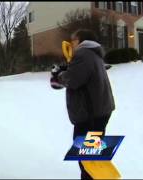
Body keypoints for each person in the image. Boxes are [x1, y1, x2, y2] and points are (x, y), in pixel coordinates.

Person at [53, 29, 115, 179]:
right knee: (92, 156)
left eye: (73, 40)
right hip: (98, 111)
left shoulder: (83, 53)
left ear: (81, 41)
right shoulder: (92, 54)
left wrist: (58, 76)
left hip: (90, 115)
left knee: (88, 160)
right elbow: (82, 75)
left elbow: (73, 80)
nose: (71, 43)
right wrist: (67, 69)